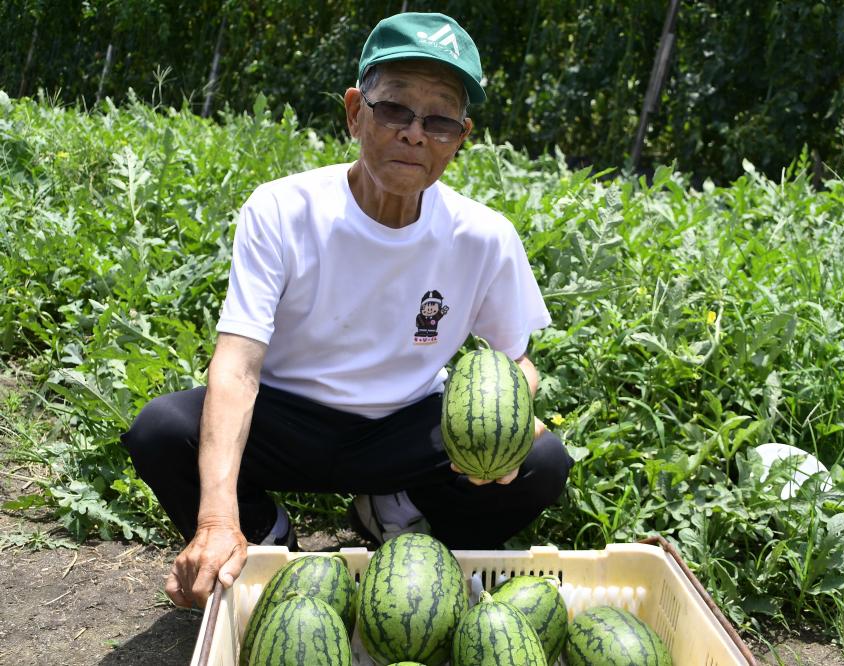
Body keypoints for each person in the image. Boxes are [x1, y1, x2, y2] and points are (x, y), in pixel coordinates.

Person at [120, 11, 573, 610]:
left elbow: (516, 358)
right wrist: (214, 516)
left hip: (405, 428)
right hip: (288, 421)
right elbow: (236, 366)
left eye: (439, 119)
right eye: (395, 110)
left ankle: (399, 519)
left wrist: (511, 420)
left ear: (460, 139)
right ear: (356, 111)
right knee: (162, 431)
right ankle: (264, 539)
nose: (415, 133)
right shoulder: (282, 209)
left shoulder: (483, 236)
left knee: (542, 460)